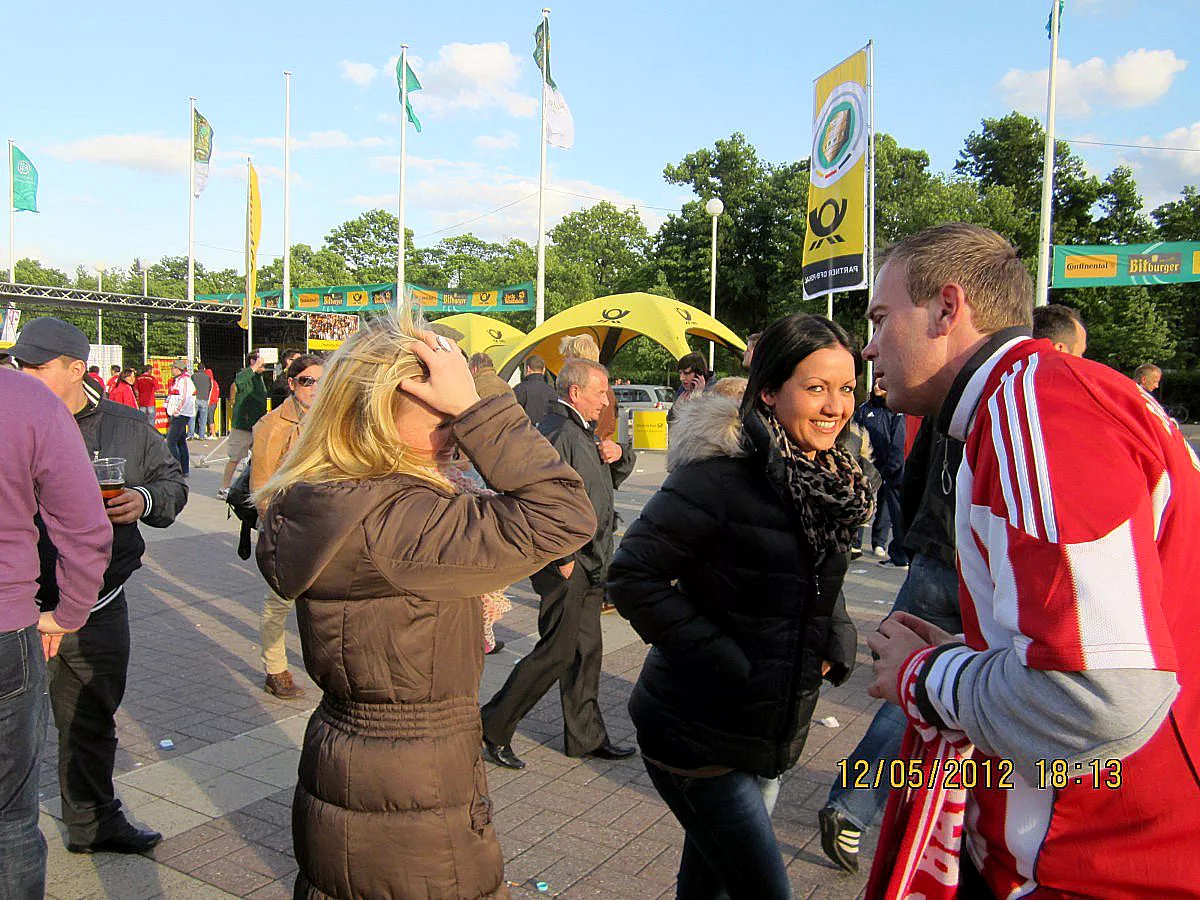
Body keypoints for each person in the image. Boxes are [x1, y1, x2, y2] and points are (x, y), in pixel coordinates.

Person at [863, 223, 1200, 897]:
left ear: (947, 309)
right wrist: (978, 649)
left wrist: (925, 675)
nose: (867, 345)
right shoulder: (1041, 396)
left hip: (1093, 859)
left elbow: (1101, 695)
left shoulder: (1032, 403)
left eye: (879, 317)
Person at [254, 309, 594, 899]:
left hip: (355, 765)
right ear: (381, 414)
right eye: (440, 412)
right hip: (413, 791)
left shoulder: (333, 498)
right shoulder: (402, 522)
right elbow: (565, 515)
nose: (455, 429)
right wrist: (479, 404)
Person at [608, 314, 871, 900]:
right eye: (816, 387)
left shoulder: (827, 477)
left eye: (847, 388)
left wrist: (835, 639)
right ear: (771, 392)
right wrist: (726, 658)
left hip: (762, 726)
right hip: (696, 733)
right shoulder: (718, 479)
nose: (834, 406)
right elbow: (631, 575)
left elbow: (816, 582)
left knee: (708, 886)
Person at [11, 317, 187, 858]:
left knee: (90, 719)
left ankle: (92, 823)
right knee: (9, 733)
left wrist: (145, 500)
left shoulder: (128, 426)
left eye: (36, 368)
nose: (22, 376)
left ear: (76, 370)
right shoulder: (10, 416)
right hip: (16, 611)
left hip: (97, 606)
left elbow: (173, 482)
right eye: (19, 365)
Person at [819, 414, 963, 873]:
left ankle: (855, 805)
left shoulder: (956, 397)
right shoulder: (1026, 399)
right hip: (974, 564)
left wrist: (914, 544)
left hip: (936, 553)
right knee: (952, 687)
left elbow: (911, 475)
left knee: (909, 686)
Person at [481, 358, 637, 770]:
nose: (606, 402)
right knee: (555, 652)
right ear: (575, 393)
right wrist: (561, 558)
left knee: (587, 652)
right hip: (568, 564)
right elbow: (535, 498)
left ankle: (586, 736)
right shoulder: (558, 432)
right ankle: (493, 726)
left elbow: (601, 486)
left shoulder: (580, 432)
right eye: (600, 393)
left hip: (590, 561)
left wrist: (620, 454)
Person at [0, 359, 111, 898]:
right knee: (9, 820)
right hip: (6, 627)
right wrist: (69, 612)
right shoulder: (27, 402)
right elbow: (86, 527)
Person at [249, 354, 323, 700]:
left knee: (325, 599)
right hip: (288, 524)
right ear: (292, 384)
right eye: (307, 381)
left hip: (326, 522)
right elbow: (261, 485)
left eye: (322, 381)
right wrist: (276, 529)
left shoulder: (330, 418)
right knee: (279, 600)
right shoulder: (271, 425)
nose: (315, 388)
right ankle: (275, 668)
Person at [853, 378, 908, 567]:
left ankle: (879, 542)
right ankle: (855, 543)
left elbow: (898, 443)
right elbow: (854, 434)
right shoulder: (864, 410)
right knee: (862, 500)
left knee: (886, 507)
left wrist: (891, 467)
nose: (877, 387)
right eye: (875, 383)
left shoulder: (894, 412)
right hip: (865, 464)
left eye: (881, 384)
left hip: (887, 468)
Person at [220, 350, 268, 497]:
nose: (264, 365)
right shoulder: (245, 375)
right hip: (243, 425)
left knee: (259, 458)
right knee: (235, 458)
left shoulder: (259, 378)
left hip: (258, 424)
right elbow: (239, 381)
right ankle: (224, 487)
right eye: (262, 362)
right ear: (253, 362)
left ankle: (255, 487)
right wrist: (254, 367)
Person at [560, 334, 618, 441]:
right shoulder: (604, 389)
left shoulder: (596, 392)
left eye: (566, 358)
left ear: (576, 360)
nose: (563, 363)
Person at [164, 360, 195, 477]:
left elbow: (185, 398)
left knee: (170, 442)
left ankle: (176, 469)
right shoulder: (177, 381)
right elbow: (172, 396)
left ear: (178, 369)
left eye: (173, 368)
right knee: (181, 442)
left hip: (181, 414)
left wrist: (176, 411)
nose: (171, 370)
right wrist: (166, 406)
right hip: (177, 414)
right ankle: (184, 469)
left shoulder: (185, 381)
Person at [667, 351, 712, 425]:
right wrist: (675, 408)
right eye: (680, 373)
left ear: (699, 374)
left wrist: (696, 400)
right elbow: (670, 421)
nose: (681, 378)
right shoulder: (683, 389)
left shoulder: (714, 390)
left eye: (686, 373)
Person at [514, 353, 557, 425]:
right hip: (546, 433)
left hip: (525, 433)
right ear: (543, 369)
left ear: (528, 369)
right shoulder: (552, 391)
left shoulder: (518, 389)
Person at [191, 362, 212, 439]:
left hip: (195, 399)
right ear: (204, 369)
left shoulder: (193, 376)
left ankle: (191, 434)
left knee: (192, 417)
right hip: (204, 399)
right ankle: (202, 435)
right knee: (203, 419)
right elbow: (210, 387)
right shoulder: (207, 377)